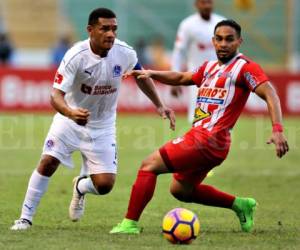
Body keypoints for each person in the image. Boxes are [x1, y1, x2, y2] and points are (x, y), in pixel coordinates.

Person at [110, 19, 289, 234]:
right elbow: (182, 77)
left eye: (229, 39)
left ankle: (130, 224)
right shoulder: (210, 67)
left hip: (209, 140)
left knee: (149, 165)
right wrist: (152, 73)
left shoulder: (245, 68)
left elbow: (270, 93)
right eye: (219, 39)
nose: (223, 44)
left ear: (239, 41)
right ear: (213, 41)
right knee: (181, 191)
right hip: (208, 142)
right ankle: (240, 205)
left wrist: (277, 130)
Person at [11, 8, 175, 230]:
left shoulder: (124, 52)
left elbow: (140, 75)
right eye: (104, 28)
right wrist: (70, 112)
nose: (110, 34)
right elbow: (55, 95)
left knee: (105, 185)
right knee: (48, 162)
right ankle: (25, 218)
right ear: (90, 30)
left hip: (103, 126)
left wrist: (160, 104)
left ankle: (80, 186)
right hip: (69, 121)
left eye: (114, 29)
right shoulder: (75, 56)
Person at [171, 0, 225, 123]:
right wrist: (175, 78)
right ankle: (199, 142)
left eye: (209, 2)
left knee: (222, 118)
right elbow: (179, 52)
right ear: (196, 4)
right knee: (199, 118)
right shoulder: (188, 25)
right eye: (203, 2)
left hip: (222, 78)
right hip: (198, 78)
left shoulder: (222, 23)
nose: (207, 5)